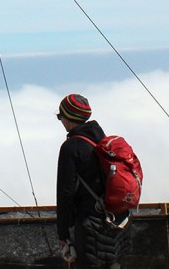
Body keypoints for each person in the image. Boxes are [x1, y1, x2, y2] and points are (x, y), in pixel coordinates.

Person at [55, 93, 129, 269]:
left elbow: (65, 193)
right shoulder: (103, 142)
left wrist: (63, 233)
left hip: (89, 226)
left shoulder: (71, 147)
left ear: (69, 117)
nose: (60, 121)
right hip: (117, 222)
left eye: (60, 116)